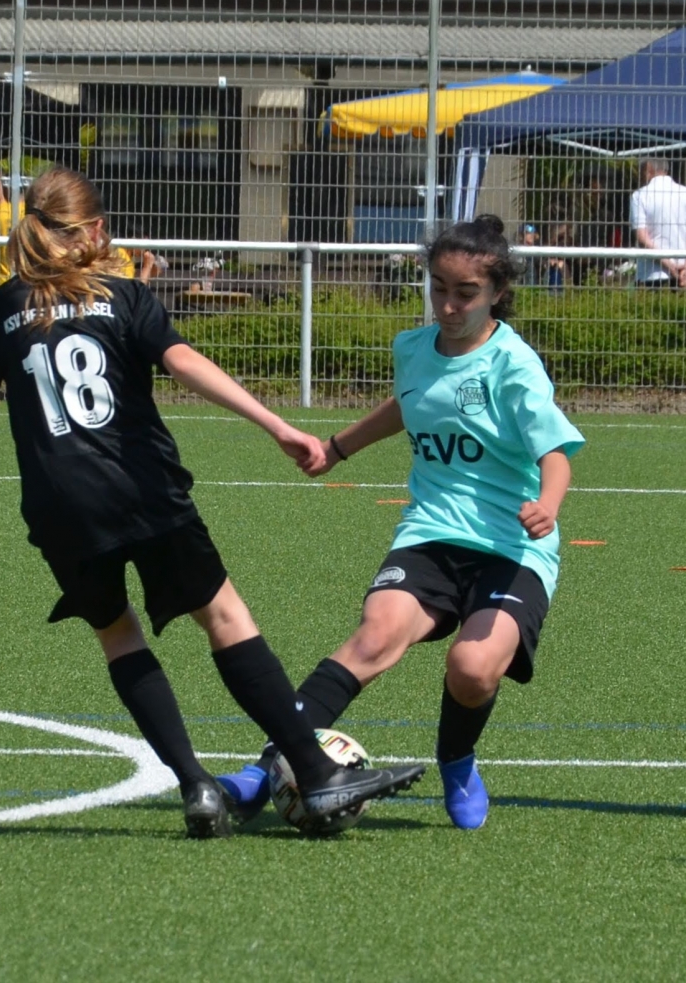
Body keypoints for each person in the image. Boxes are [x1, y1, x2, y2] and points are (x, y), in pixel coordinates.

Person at [0, 166, 421, 838]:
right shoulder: (124, 294)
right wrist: (277, 425)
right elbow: (183, 362)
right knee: (223, 616)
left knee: (118, 635)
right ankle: (316, 773)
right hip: (142, 488)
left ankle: (196, 784)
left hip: (59, 507)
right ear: (96, 230)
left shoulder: (4, 307)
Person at [218, 214, 584, 831]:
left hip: (511, 546)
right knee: (373, 639)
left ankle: (457, 761)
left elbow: (555, 452)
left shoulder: (514, 365)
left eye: (465, 293)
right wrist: (337, 448)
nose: (448, 305)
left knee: (472, 670)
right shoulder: (412, 349)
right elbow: (410, 404)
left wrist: (548, 504)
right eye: (439, 287)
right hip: (430, 532)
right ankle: (264, 771)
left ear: (496, 293)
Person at [630, 158, 686, 289]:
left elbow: (642, 238)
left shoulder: (640, 196)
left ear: (648, 169)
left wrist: (669, 265)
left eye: (641, 171)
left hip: (652, 275)